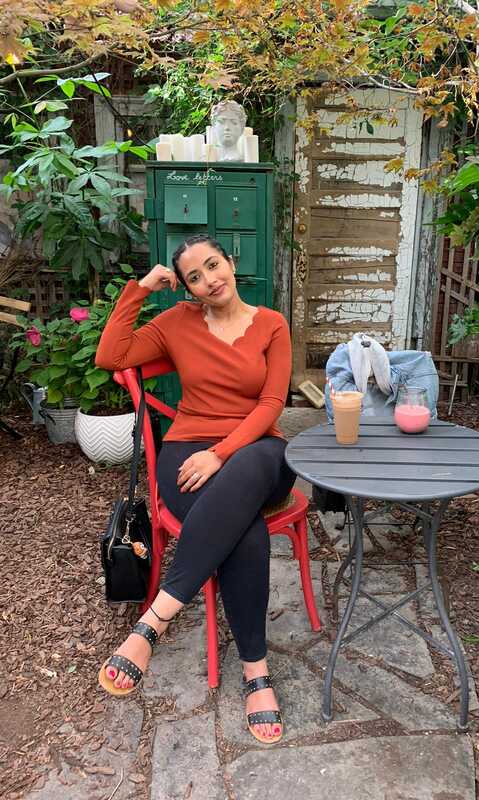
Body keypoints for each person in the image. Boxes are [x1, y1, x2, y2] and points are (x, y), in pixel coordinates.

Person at [95, 234, 296, 745]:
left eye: (213, 265)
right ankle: (256, 671)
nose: (210, 280)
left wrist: (221, 452)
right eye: (195, 277)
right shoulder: (177, 322)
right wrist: (140, 290)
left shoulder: (272, 324)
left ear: (230, 262)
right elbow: (110, 355)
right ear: (186, 287)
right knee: (242, 528)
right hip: (187, 453)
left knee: (247, 470)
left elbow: (272, 404)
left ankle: (154, 622)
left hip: (256, 451)